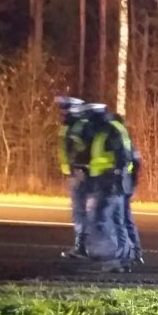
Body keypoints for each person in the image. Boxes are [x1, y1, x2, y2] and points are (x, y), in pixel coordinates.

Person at [82, 103, 136, 272]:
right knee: (115, 220)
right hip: (112, 183)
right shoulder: (107, 130)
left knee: (106, 219)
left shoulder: (110, 131)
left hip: (111, 183)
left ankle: (116, 257)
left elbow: (122, 157)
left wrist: (114, 175)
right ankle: (123, 257)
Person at [56, 96, 91, 258]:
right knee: (81, 211)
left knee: (80, 211)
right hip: (75, 173)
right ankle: (82, 246)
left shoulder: (79, 127)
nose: (62, 113)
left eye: (66, 110)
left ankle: (82, 247)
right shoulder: (70, 126)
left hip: (80, 174)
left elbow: (82, 151)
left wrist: (79, 169)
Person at [110, 111, 144, 264]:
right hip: (127, 184)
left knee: (119, 220)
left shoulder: (120, 140)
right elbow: (137, 162)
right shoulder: (128, 141)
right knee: (126, 219)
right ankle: (136, 252)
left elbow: (132, 163)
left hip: (121, 184)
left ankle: (127, 255)